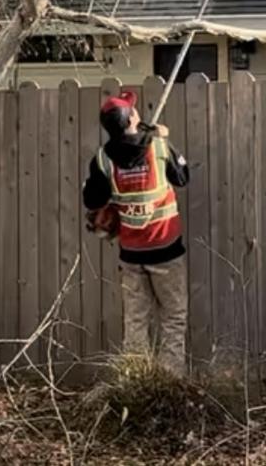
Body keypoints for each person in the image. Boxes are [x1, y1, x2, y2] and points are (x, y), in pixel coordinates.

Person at [83, 89, 190, 373]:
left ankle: (136, 381)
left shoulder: (103, 160)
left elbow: (91, 201)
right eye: (134, 110)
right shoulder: (157, 147)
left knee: (136, 320)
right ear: (131, 118)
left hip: (131, 254)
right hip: (166, 250)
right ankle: (171, 380)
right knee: (174, 316)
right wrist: (164, 139)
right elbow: (182, 177)